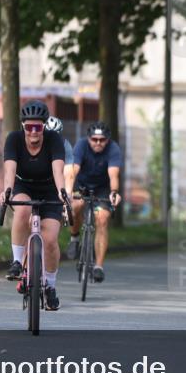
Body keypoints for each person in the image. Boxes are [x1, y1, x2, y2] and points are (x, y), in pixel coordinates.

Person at [0, 100, 71, 311]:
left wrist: (62, 192)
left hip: (50, 189)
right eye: (29, 127)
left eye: (38, 127)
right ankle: (16, 262)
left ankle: (50, 286)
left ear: (43, 127)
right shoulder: (13, 140)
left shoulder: (54, 140)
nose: (33, 132)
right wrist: (7, 191)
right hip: (24, 186)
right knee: (22, 209)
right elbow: (9, 172)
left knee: (49, 240)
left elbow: (58, 171)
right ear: (23, 126)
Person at [65, 121, 122, 283]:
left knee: (102, 219)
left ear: (108, 140)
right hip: (81, 185)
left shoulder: (113, 149)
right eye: (94, 139)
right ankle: (74, 238)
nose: (98, 143)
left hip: (102, 188)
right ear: (88, 138)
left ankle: (98, 266)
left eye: (102, 140)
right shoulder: (81, 145)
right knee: (76, 206)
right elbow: (73, 170)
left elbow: (113, 175)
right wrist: (68, 192)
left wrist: (114, 193)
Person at [45, 116, 76, 192]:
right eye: (48, 135)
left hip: (57, 181)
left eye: (55, 135)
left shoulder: (65, 145)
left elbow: (69, 172)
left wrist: (68, 193)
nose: (52, 139)